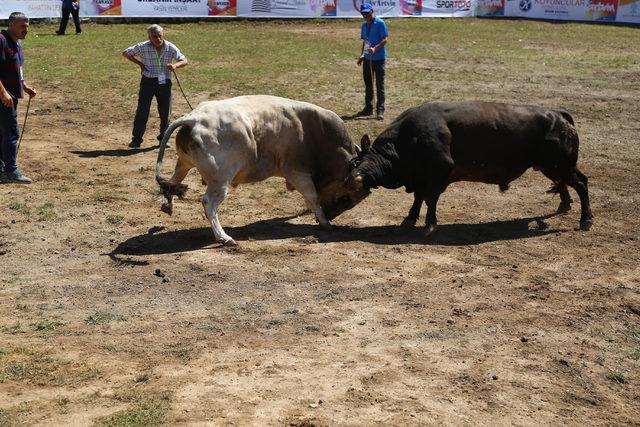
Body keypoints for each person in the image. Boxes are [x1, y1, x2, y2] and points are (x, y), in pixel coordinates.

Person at [123, 25, 188, 148]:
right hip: (148, 81)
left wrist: (175, 66)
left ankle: (163, 138)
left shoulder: (170, 47)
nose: (158, 39)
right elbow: (126, 53)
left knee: (165, 112)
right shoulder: (142, 47)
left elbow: (184, 60)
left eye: (160, 36)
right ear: (149, 37)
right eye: (154, 36)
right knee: (142, 110)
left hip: (164, 83)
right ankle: (136, 139)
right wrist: (140, 64)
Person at [0, 12, 37, 184]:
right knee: (11, 132)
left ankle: (1, 169)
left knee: (3, 132)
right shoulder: (2, 40)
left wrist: (24, 86)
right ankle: (11, 171)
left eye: (28, 26)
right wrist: (3, 92)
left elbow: (16, 69)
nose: (26, 29)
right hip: (4, 97)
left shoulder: (17, 43)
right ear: (12, 24)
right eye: (23, 26)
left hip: (11, 94)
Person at [356, 3, 388, 121]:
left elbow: (385, 39)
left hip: (379, 59)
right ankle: (368, 108)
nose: (365, 15)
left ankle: (380, 110)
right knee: (368, 85)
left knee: (380, 85)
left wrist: (375, 49)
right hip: (368, 59)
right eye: (363, 13)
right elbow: (365, 41)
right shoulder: (364, 25)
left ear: (372, 11)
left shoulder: (380, 23)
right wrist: (362, 55)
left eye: (367, 13)